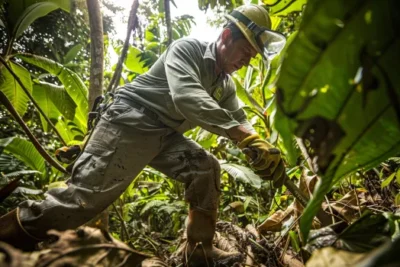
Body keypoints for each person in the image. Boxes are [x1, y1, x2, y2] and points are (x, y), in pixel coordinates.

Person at [0, 4, 286, 266]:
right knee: (81, 201)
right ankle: (8, 237)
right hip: (130, 121)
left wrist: (261, 145)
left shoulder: (225, 85)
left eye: (252, 57)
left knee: (204, 167)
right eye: (245, 53)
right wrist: (242, 136)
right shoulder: (187, 49)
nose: (247, 62)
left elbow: (239, 118)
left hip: (164, 134)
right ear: (226, 35)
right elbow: (188, 97)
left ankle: (199, 249)